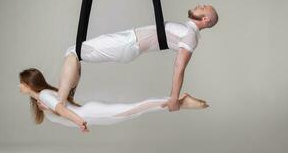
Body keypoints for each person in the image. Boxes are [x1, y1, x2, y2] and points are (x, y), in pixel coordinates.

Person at [57, 4, 218, 110]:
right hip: (128, 39)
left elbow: (179, 67)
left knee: (73, 52)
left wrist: (174, 97)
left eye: (203, 8)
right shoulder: (187, 29)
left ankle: (61, 102)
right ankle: (67, 98)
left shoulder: (190, 36)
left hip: (128, 44)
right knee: (74, 54)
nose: (199, 6)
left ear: (205, 19)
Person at [19, 68, 209, 132]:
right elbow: (60, 109)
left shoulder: (44, 96)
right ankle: (179, 102)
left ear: (28, 84)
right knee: (134, 110)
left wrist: (80, 122)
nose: (19, 86)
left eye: (21, 83)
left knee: (135, 109)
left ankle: (179, 101)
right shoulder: (42, 99)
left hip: (91, 114)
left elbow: (62, 110)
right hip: (92, 113)